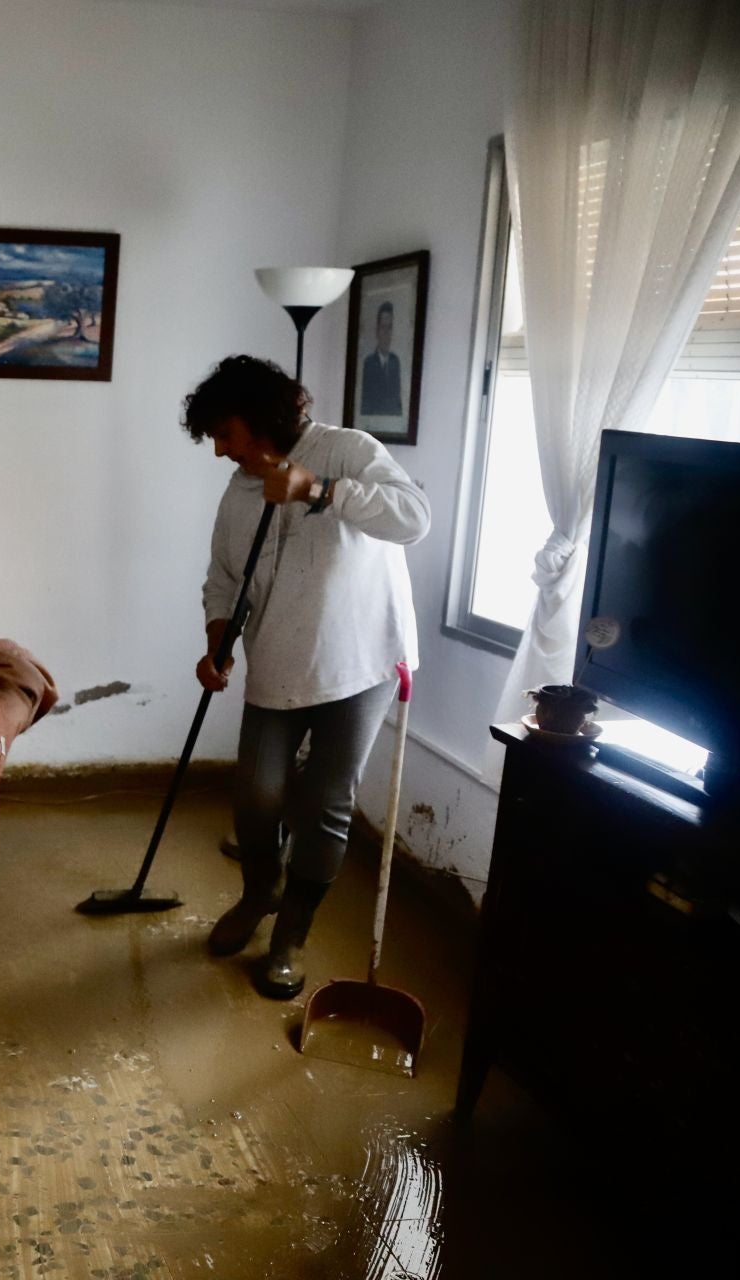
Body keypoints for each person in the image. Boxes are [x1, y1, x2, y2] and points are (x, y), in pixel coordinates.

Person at [184, 354, 427, 1000]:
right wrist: (218, 641)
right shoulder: (238, 488)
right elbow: (223, 577)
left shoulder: (347, 450)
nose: (218, 450)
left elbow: (414, 517)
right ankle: (260, 894)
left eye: (224, 433)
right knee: (257, 796)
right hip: (279, 659)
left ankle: (290, 935)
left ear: (257, 420)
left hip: (359, 660)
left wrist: (318, 490)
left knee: (324, 806)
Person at [359, 301, 404, 417]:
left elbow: (397, 402)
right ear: (377, 330)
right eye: (384, 328)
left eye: (390, 328)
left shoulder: (395, 362)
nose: (387, 334)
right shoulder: (369, 363)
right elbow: (367, 403)